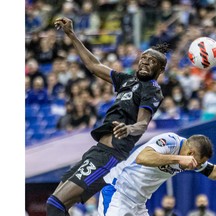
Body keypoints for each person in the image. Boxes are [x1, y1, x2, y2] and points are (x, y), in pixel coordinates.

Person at [46, 17, 168, 216]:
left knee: (55, 205)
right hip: (97, 151)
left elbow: (142, 124)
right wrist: (71, 34)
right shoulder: (128, 80)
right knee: (56, 205)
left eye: (152, 61)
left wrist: (129, 128)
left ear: (160, 69)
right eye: (143, 59)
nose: (145, 62)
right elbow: (94, 66)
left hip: (110, 156)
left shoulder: (152, 90)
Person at [97, 132, 216, 216]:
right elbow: (142, 158)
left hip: (139, 203)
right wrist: (179, 158)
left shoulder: (192, 159)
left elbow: (215, 173)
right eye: (195, 163)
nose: (194, 167)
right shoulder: (170, 141)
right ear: (190, 152)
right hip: (118, 192)